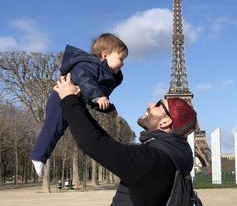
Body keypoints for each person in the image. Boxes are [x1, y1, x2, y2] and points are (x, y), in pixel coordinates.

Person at [53, 73, 197, 206]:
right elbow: (105, 142)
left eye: (159, 104)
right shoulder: (173, 158)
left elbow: (95, 143)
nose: (150, 104)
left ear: (165, 122)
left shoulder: (153, 160)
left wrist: (69, 99)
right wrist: (79, 105)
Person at [30, 33, 128, 176]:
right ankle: (38, 156)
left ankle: (42, 157)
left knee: (60, 130)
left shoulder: (103, 75)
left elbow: (93, 99)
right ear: (105, 54)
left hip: (75, 101)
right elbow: (85, 81)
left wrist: (108, 108)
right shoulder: (88, 66)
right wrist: (98, 96)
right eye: (121, 59)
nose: (123, 64)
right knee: (53, 127)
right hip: (60, 98)